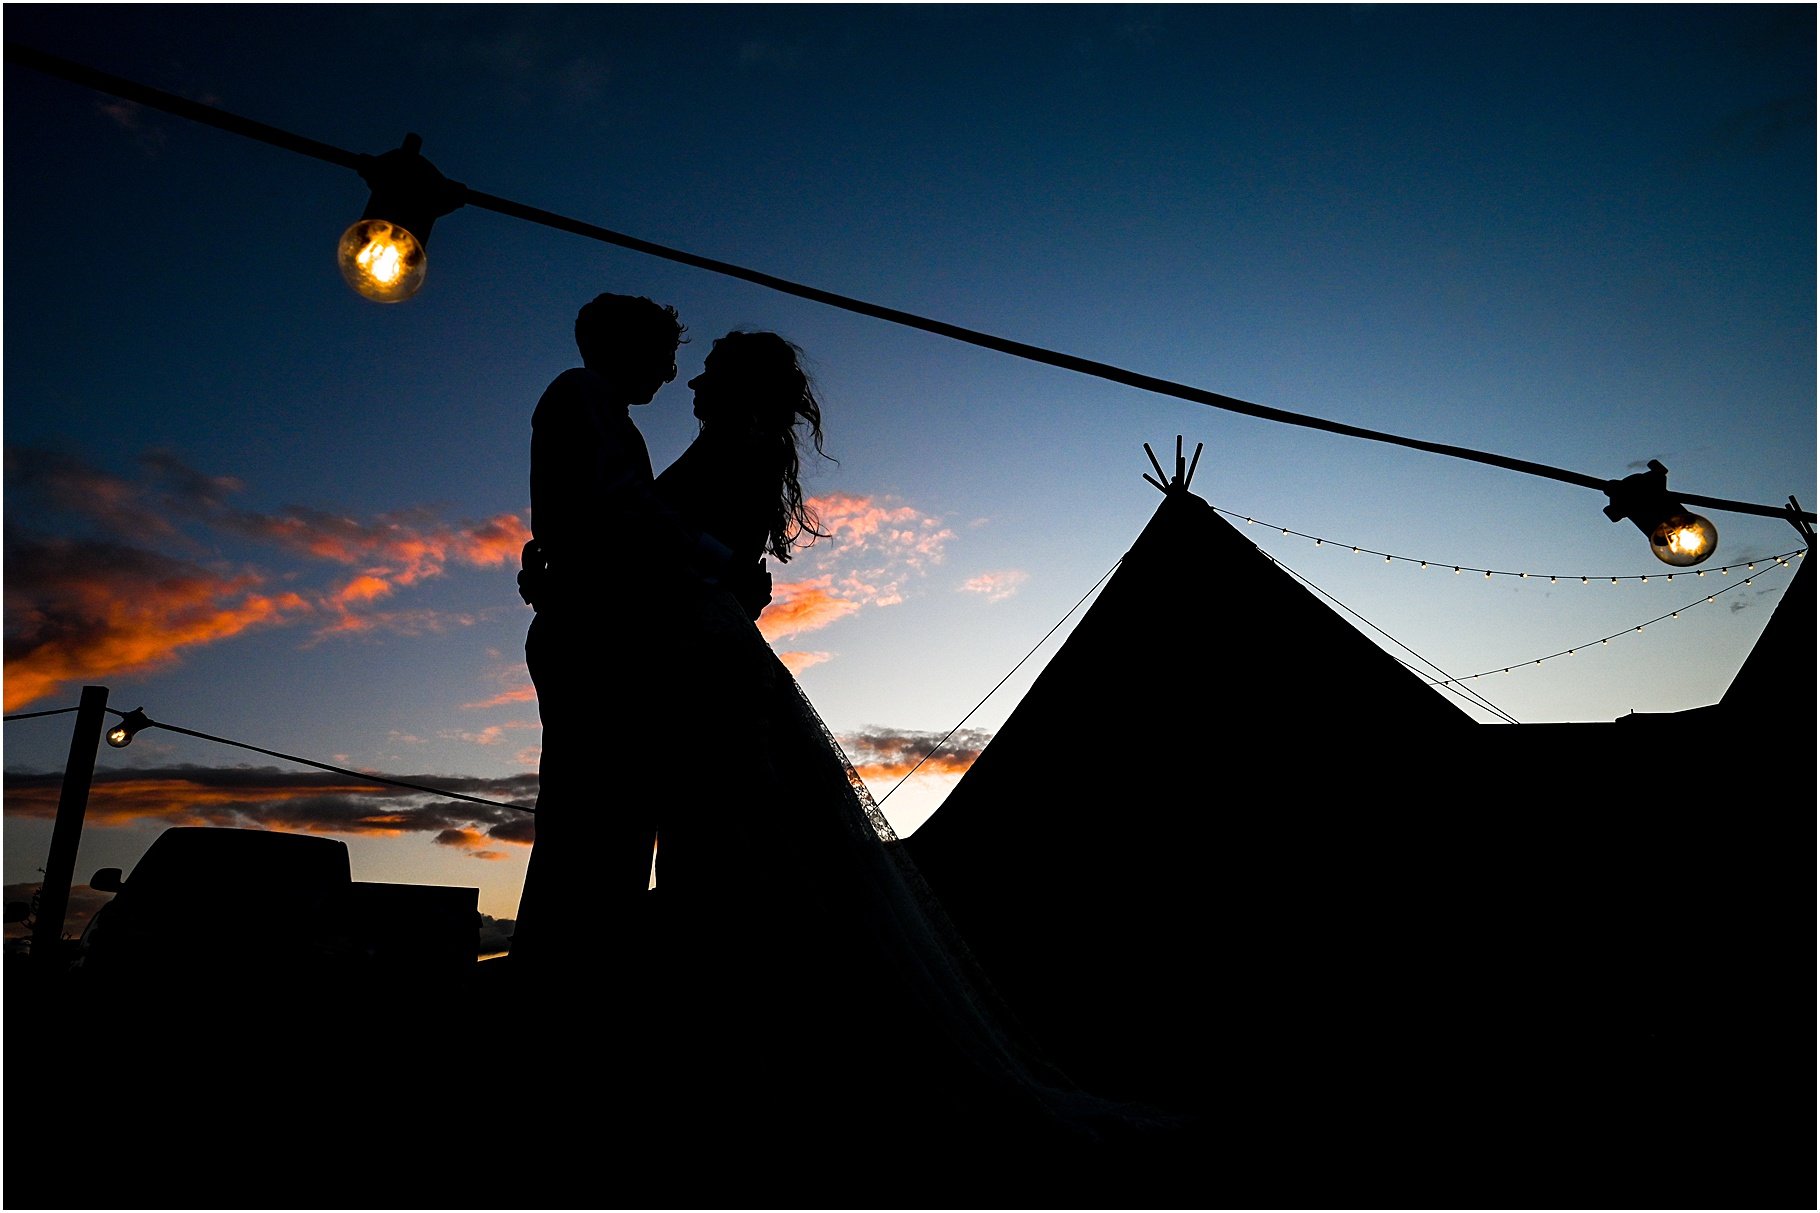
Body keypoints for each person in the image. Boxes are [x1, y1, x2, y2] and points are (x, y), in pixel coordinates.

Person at [640, 331, 1189, 1183]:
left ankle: (747, 1082)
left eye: (711, 370)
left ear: (739, 385)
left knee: (730, 860)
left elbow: (687, 548)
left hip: (709, 664)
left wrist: (667, 561)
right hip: (698, 656)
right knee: (727, 857)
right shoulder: (729, 446)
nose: (695, 381)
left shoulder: (734, 447)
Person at [512, 293, 767, 983]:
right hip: (595, 643)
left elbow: (606, 521)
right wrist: (716, 561)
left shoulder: (598, 409)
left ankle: (576, 967)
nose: (671, 371)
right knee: (594, 821)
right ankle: (568, 974)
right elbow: (622, 511)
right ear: (624, 347)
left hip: (601, 636)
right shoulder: (583, 397)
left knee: (600, 820)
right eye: (665, 354)